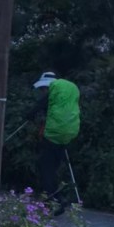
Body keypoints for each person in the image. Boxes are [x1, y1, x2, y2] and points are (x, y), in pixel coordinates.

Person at [31, 71, 81, 215]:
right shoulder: (69, 90)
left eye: (42, 88)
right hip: (68, 133)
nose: (42, 91)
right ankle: (58, 196)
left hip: (54, 133)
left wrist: (28, 115)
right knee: (53, 167)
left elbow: (39, 106)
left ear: (47, 86)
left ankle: (54, 200)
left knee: (45, 167)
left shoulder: (54, 89)